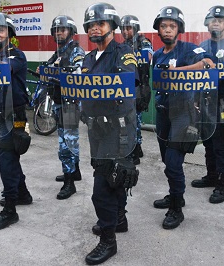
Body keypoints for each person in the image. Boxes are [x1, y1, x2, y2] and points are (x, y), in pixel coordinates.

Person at [80, 3, 139, 265]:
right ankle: (120, 220)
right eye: (91, 24)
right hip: (97, 130)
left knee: (101, 189)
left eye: (100, 23)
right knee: (113, 178)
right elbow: (83, 90)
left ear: (112, 27)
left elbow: (126, 87)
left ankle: (108, 241)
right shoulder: (89, 58)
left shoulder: (124, 53)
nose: (94, 27)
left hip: (118, 129)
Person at [151, 6, 215, 229]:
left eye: (172, 26)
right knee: (167, 162)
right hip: (162, 114)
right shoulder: (157, 55)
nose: (168, 30)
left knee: (174, 163)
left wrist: (178, 72)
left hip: (183, 116)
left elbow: (209, 65)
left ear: (179, 29)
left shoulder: (189, 49)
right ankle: (175, 195)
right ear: (158, 30)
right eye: (163, 26)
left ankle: (176, 208)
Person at [0, 12, 33, 230]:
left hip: (13, 116)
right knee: (6, 158)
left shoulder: (16, 56)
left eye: (0, 30)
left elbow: (2, 72)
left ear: (9, 34)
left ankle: (10, 210)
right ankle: (22, 193)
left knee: (7, 160)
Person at [191, 5, 224, 203]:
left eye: (220, 20)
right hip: (205, 101)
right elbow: (195, 76)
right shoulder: (201, 47)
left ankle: (222, 184)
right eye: (213, 20)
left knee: (222, 144)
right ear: (207, 24)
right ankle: (211, 176)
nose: (216, 23)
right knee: (208, 141)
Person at [45, 15, 85, 200]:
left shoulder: (76, 51)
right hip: (59, 102)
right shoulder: (59, 51)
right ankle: (74, 171)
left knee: (66, 144)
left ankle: (69, 183)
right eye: (56, 30)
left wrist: (56, 72)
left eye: (63, 29)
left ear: (71, 31)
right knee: (66, 139)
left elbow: (78, 73)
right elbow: (49, 68)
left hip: (70, 104)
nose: (59, 32)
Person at [120, 15, 153, 165]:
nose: (125, 31)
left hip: (140, 87)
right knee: (128, 120)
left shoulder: (143, 42)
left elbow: (149, 57)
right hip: (126, 87)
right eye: (123, 28)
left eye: (128, 28)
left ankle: (135, 149)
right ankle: (136, 147)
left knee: (135, 119)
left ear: (135, 29)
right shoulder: (123, 45)